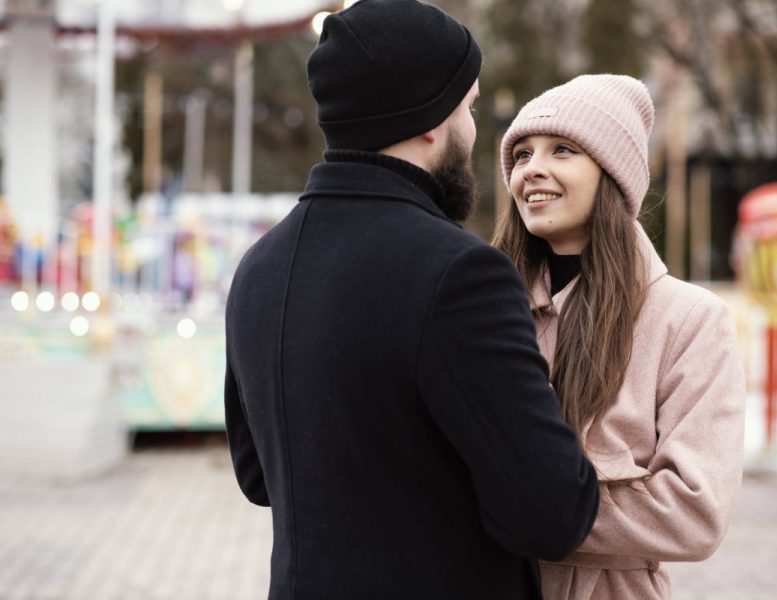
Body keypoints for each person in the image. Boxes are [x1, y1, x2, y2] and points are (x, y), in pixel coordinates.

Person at [224, 1, 599, 598]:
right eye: (470, 107)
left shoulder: (257, 269)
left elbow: (256, 474)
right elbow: (551, 512)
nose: (475, 130)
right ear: (432, 118)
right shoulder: (461, 274)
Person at [494, 74, 746, 599]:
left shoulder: (688, 319)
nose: (532, 168)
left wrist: (533, 506)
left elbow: (695, 512)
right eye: (521, 155)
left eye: (562, 149)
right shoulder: (484, 309)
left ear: (613, 174)